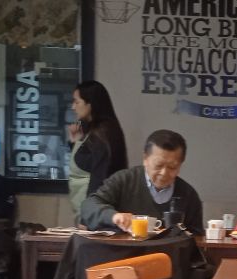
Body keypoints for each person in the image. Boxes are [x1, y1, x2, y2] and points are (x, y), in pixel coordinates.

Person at [79, 129, 204, 235]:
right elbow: (89, 206)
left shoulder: (188, 195)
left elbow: (197, 238)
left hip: (167, 255)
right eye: (158, 165)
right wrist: (114, 216)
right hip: (124, 252)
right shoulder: (124, 180)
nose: (164, 173)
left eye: (172, 167)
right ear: (145, 159)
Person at [67, 80, 128, 215]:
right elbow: (85, 163)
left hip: (95, 214)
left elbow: (100, 178)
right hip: (89, 211)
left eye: (77, 102)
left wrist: (91, 214)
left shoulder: (103, 134)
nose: (73, 107)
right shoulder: (92, 130)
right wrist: (75, 142)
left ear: (90, 104)